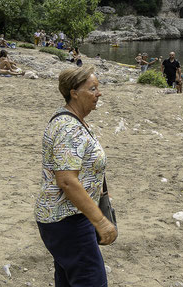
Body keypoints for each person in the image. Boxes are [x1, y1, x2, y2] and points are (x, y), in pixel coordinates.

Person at [35, 65, 116, 286]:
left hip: (68, 218)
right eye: (92, 88)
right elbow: (67, 181)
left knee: (68, 280)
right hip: (68, 220)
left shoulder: (72, 120)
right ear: (74, 93)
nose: (98, 93)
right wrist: (101, 221)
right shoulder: (68, 128)